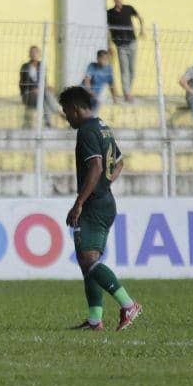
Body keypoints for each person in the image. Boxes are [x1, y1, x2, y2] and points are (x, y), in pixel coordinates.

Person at [59, 86, 142, 332]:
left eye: (66, 112)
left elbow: (95, 167)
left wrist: (79, 203)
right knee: (89, 262)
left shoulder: (86, 131)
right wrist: (105, 184)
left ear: (75, 108)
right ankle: (95, 320)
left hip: (94, 204)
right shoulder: (102, 126)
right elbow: (119, 162)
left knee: (87, 259)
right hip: (104, 201)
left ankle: (128, 304)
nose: (66, 117)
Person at [106, 0, 144, 103]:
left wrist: (142, 30)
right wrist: (109, 45)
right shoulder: (109, 13)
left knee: (132, 70)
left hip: (132, 42)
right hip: (120, 45)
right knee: (124, 70)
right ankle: (127, 93)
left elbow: (140, 18)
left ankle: (128, 90)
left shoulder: (129, 8)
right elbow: (107, 30)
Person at [19, 45, 61, 127]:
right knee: (42, 98)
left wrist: (48, 87)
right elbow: (23, 84)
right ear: (29, 54)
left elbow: (44, 82)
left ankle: (51, 119)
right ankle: (58, 114)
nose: (34, 54)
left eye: (36, 52)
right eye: (32, 52)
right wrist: (33, 90)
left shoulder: (41, 65)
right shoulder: (25, 66)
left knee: (45, 95)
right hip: (28, 95)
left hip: (40, 93)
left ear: (40, 54)